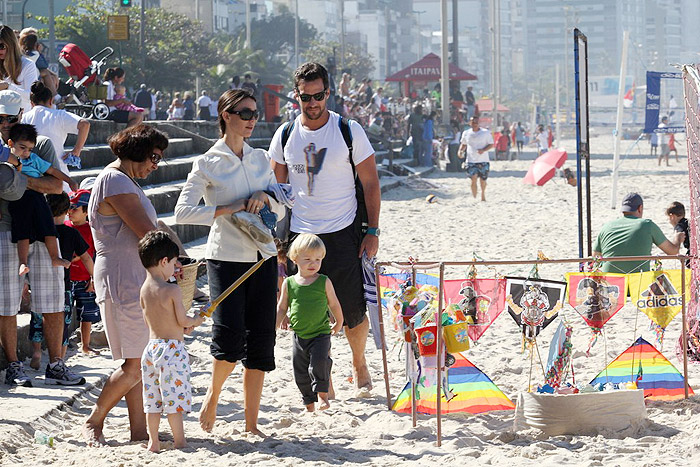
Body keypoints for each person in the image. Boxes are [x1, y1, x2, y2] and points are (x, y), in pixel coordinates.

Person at [174, 89, 285, 436]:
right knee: (229, 337)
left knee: (262, 340)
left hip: (264, 258)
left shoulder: (260, 158)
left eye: (255, 114)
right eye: (245, 113)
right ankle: (213, 395)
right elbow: (182, 213)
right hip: (226, 258)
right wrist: (233, 206)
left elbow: (281, 207)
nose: (253, 119)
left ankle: (252, 423)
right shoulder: (207, 163)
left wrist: (265, 196)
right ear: (226, 114)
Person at [269, 62, 380, 394]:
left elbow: (371, 182)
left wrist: (372, 232)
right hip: (301, 236)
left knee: (351, 307)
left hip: (344, 230)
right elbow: (276, 186)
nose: (312, 103)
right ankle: (324, 378)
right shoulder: (286, 134)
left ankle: (359, 362)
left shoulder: (349, 130)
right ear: (297, 96)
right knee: (308, 309)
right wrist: (276, 238)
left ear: (328, 93)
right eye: (306, 97)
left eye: (318, 96)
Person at [82, 124, 168, 446]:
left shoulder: (125, 180)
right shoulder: (114, 180)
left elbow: (153, 231)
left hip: (132, 277)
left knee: (139, 362)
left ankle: (138, 432)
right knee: (134, 365)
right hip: (122, 279)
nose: (155, 166)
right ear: (139, 151)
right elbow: (147, 231)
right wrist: (173, 264)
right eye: (154, 158)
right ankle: (93, 420)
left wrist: (178, 259)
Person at [0, 89, 78, 388]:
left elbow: (56, 186)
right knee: (6, 305)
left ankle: (57, 364)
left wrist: (18, 178)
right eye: (1, 117)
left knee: (53, 302)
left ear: (20, 114)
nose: (5, 122)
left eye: (10, 116)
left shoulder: (40, 144)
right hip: (6, 229)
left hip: (40, 227)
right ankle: (13, 365)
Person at [137, 230, 205, 453]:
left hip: (151, 349)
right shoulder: (172, 289)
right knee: (173, 399)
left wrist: (182, 325)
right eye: (174, 263)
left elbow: (154, 320)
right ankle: (180, 441)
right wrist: (196, 319)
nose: (176, 268)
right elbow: (183, 319)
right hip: (172, 350)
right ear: (164, 261)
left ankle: (153, 442)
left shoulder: (144, 290)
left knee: (153, 400)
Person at [276, 234, 343, 412]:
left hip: (321, 333)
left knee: (319, 363)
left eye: (318, 259)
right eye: (307, 259)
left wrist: (339, 322)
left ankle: (323, 396)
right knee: (300, 370)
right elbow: (282, 307)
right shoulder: (289, 283)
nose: (313, 263)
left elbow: (334, 303)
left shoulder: (323, 281)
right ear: (295, 258)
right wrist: (275, 325)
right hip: (299, 335)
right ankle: (309, 403)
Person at [28, 192, 93, 368]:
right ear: (66, 210)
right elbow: (86, 258)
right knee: (61, 323)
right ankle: (59, 359)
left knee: (37, 318)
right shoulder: (71, 233)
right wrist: (94, 277)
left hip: (38, 282)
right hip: (62, 284)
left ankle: (36, 352)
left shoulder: (37, 231)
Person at [6, 124, 76, 275]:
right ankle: (23, 262)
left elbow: (52, 170)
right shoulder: (6, 159)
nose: (26, 152)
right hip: (19, 198)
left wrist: (69, 180)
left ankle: (55, 257)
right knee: (22, 231)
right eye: (22, 147)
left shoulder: (34, 158)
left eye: (30, 149)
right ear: (11, 143)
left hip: (37, 196)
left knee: (48, 227)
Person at [593, 193, 685, 274]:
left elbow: (595, 257)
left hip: (611, 285)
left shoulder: (606, 226)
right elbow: (672, 252)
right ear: (640, 208)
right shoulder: (647, 225)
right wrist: (677, 238)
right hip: (638, 284)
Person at [22, 81, 91, 182]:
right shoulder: (59, 115)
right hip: (58, 171)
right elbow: (85, 124)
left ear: (31, 103)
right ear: (51, 101)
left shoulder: (23, 118)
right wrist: (76, 151)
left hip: (30, 172)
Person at [66, 189, 100, 355]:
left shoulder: (91, 230)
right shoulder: (64, 226)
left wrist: (94, 279)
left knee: (86, 314)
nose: (70, 212)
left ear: (86, 211)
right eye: (69, 207)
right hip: (66, 279)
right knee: (64, 314)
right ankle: (62, 346)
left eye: (75, 208)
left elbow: (95, 256)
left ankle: (85, 345)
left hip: (85, 279)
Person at [0, 26, 38, 114]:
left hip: (20, 120)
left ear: (11, 45)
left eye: (1, 46)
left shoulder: (27, 65)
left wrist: (8, 87)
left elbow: (32, 97)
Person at [458, 116, 494, 202]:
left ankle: (483, 194)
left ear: (479, 123)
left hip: (483, 160)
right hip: (471, 160)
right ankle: (474, 197)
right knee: (473, 179)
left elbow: (491, 144)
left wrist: (484, 150)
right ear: (470, 123)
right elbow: (463, 144)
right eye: (473, 122)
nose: (474, 124)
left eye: (476, 122)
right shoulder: (466, 133)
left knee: (483, 180)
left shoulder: (485, 133)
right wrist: (460, 151)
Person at [19, 31, 58, 96]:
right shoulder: (35, 54)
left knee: (49, 76)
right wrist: (40, 52)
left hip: (23, 73)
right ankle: (55, 96)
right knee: (46, 73)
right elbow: (44, 65)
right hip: (32, 73)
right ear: (35, 44)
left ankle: (54, 96)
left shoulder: (23, 53)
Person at [666, 201, 690, 266]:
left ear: (672, 216)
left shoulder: (679, 226)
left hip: (691, 249)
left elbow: (680, 234)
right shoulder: (687, 222)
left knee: (688, 264)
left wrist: (675, 247)